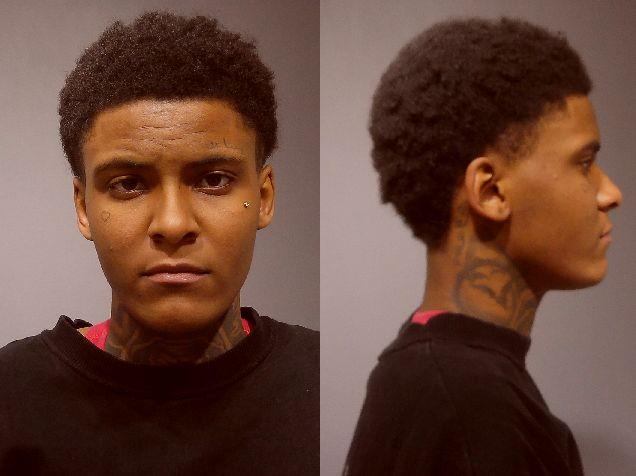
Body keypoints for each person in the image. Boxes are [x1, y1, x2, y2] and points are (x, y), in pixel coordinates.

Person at [0, 12, 318, 475]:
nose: (172, 224)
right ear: (83, 207)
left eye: (213, 179)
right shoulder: (11, 398)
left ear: (264, 197)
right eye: (129, 184)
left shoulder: (328, 385)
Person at [345, 17, 622, 475]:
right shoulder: (472, 404)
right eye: (584, 163)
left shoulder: (436, 378)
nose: (610, 193)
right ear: (491, 191)